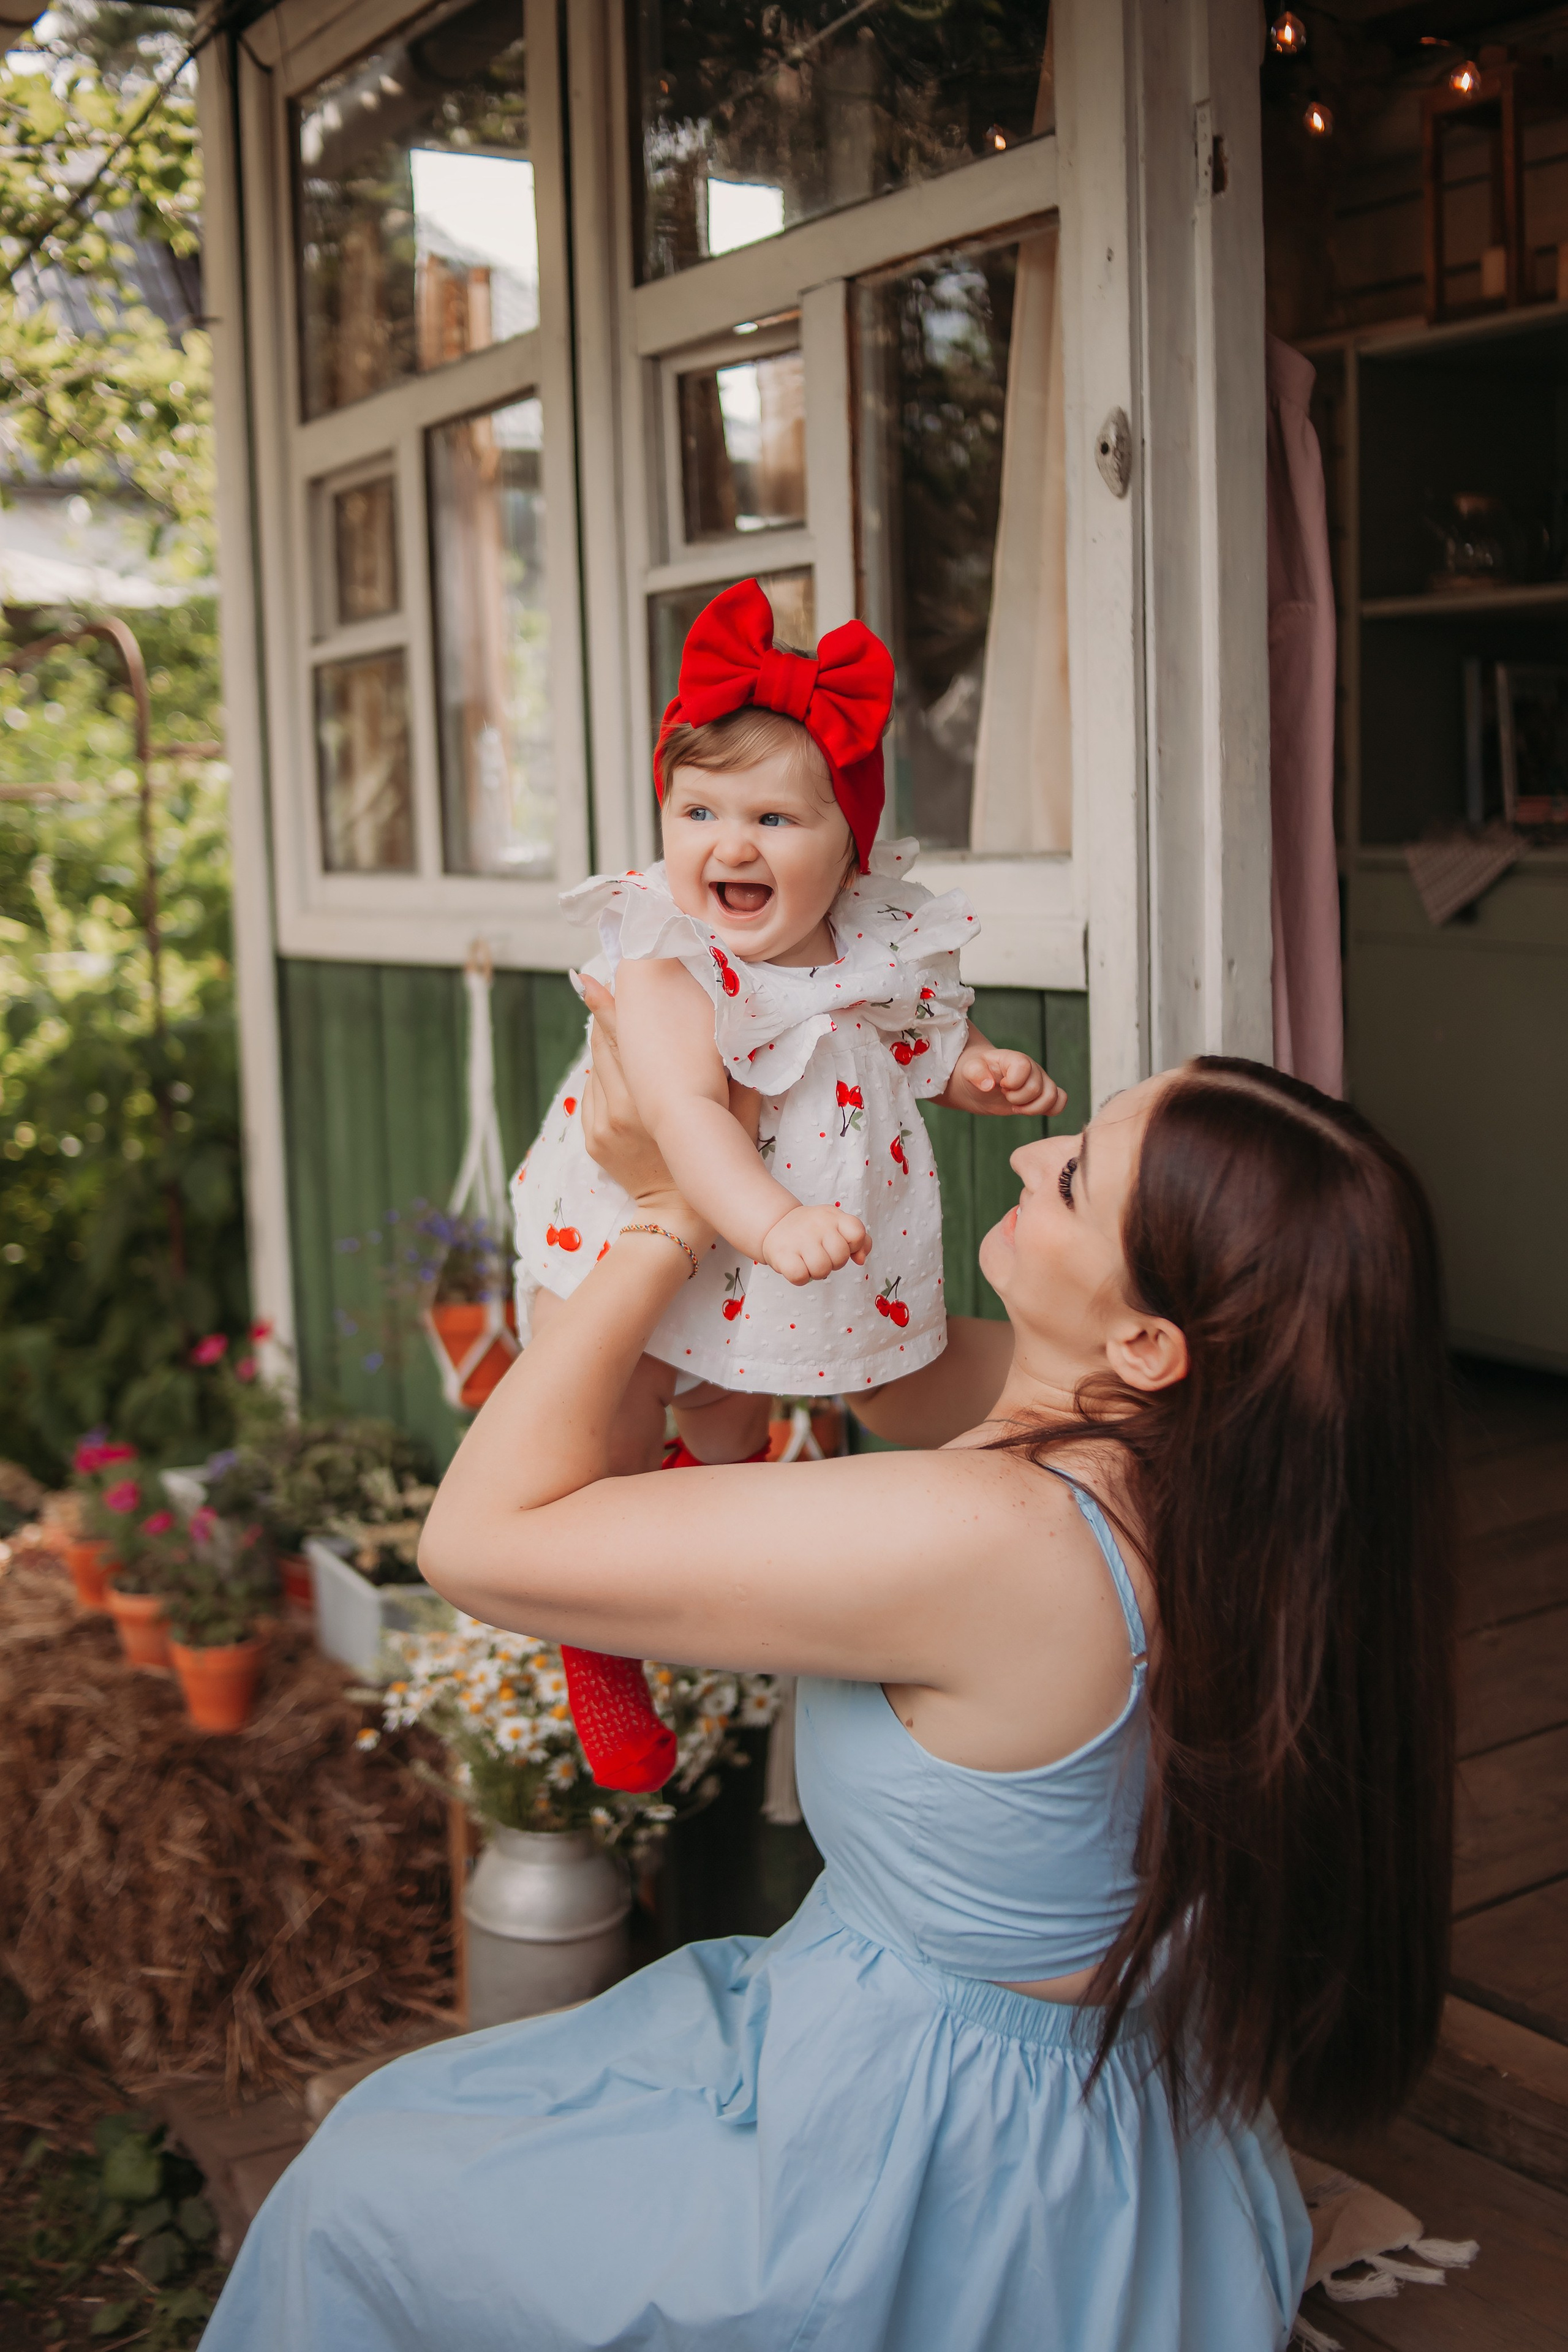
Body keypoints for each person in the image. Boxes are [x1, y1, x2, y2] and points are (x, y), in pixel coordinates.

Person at [203, 1005, 1455, 2352]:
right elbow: (880, 1358)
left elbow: (480, 1543)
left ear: (1147, 1344)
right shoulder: (1220, 1460)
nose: (1033, 1160)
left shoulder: (1001, 1543)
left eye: (1075, 1177)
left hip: (939, 2162)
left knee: (364, 2184)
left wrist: (661, 1216)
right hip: (1103, 2106)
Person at [514, 575, 1061, 1785]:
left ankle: (700, 1552)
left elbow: (916, 1052)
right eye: (699, 809)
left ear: (847, 849)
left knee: (729, 1414)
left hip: (781, 1255)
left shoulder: (872, 952)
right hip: (649, 1230)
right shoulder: (665, 964)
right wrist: (764, 1222)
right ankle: (594, 1637)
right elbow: (682, 1120)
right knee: (616, 1406)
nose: (729, 844)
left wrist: (981, 1074)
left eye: (772, 820)